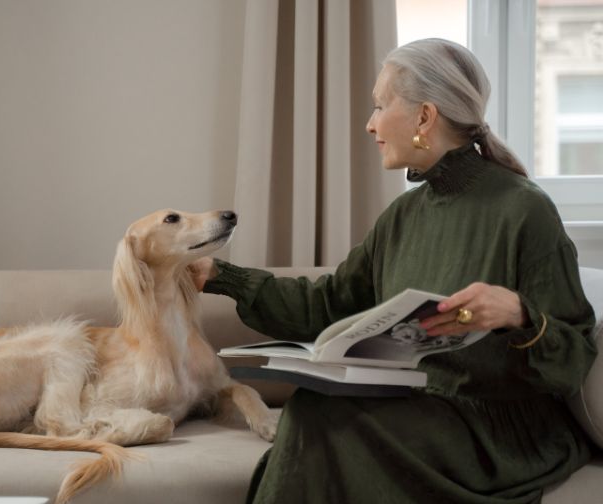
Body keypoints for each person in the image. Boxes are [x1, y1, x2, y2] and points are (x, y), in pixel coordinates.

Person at [189, 38, 597, 503]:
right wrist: (220, 276)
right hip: (422, 410)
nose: (370, 124)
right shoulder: (404, 215)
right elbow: (328, 303)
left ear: (424, 117)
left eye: (380, 106)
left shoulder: (524, 210)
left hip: (500, 428)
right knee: (313, 408)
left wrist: (519, 314)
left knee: (317, 422)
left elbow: (574, 359)